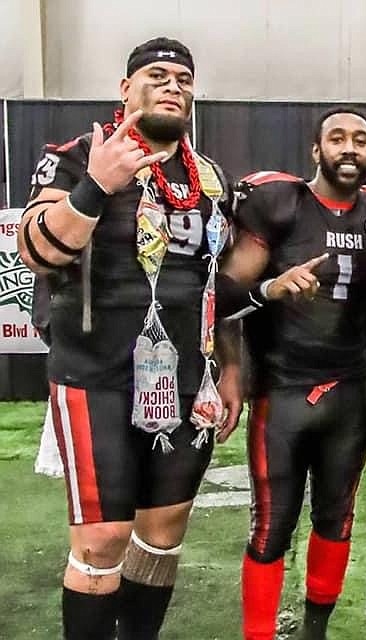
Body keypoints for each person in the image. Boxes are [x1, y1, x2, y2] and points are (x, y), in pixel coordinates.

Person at [17, 37, 232, 639]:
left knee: (162, 534)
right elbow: (35, 251)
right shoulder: (77, 154)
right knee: (103, 537)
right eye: (158, 75)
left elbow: (216, 282)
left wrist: (230, 368)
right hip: (96, 373)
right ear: (125, 89)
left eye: (184, 79)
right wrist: (97, 185)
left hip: (186, 379)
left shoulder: (210, 177)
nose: (173, 87)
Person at [214, 107, 366, 640]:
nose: (350, 148)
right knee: (271, 527)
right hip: (283, 392)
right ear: (315, 151)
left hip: (347, 392)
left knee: (336, 520)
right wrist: (268, 290)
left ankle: (314, 632)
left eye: (361, 140)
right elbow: (221, 294)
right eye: (338, 138)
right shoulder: (281, 203)